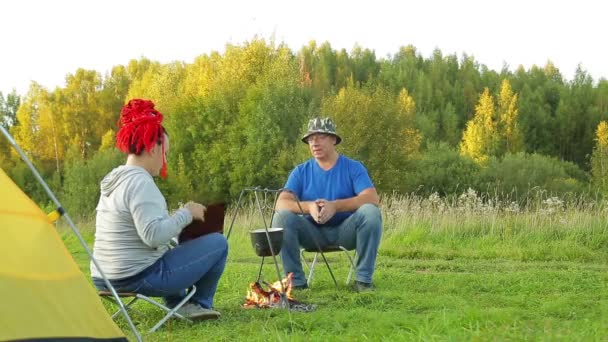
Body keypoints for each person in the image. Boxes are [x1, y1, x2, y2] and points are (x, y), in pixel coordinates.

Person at [91, 99, 228, 320]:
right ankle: (196, 304)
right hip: (133, 276)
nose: (165, 159)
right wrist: (187, 213)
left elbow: (144, 235)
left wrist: (178, 230)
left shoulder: (116, 180)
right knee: (219, 243)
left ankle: (177, 303)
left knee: (172, 248)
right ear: (153, 148)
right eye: (165, 153)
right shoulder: (140, 182)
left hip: (103, 276)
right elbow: (153, 236)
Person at [272, 117, 382, 292]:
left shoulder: (353, 167)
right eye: (310, 138)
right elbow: (281, 203)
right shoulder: (300, 171)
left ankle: (363, 281)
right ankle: (297, 284)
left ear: (333, 140)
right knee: (281, 217)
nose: (314, 142)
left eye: (320, 137)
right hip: (311, 232)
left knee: (370, 212)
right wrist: (308, 207)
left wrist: (335, 206)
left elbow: (371, 198)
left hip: (345, 231)